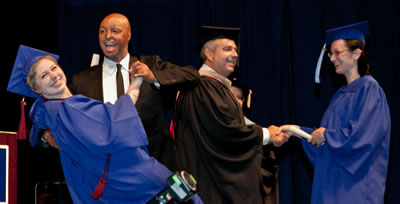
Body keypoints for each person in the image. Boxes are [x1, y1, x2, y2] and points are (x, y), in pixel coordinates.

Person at [7, 45, 203, 204]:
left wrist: (44, 136)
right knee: (187, 196)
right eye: (44, 76)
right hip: (128, 174)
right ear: (35, 88)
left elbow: (36, 130)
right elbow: (111, 124)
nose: (54, 75)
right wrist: (135, 85)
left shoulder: (47, 110)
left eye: (53, 68)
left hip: (104, 187)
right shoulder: (68, 107)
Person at [61, 13, 200, 171]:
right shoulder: (82, 80)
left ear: (129, 35)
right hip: (107, 170)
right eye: (102, 31)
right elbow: (63, 113)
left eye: (115, 31)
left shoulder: (150, 64)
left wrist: (153, 76)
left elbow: (192, 76)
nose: (107, 36)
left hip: (154, 166)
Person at [278, 21, 391, 204]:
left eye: (337, 52)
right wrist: (295, 131)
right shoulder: (340, 95)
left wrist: (326, 136)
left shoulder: (370, 90)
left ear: (356, 54)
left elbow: (363, 138)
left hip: (355, 188)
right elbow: (325, 141)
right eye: (330, 53)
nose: (331, 58)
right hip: (331, 185)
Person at [172, 27, 288, 203]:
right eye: (227, 49)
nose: (235, 54)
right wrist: (266, 135)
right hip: (208, 185)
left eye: (235, 50)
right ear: (209, 54)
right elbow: (225, 132)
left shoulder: (212, 87)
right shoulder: (204, 87)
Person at [230, 77, 280, 204]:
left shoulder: (254, 129)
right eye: (230, 95)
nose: (234, 100)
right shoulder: (215, 124)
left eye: (239, 97)